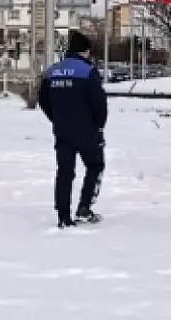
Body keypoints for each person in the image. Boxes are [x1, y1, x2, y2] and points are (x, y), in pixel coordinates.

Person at [38, 29, 108, 228]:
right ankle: (84, 208)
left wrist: (57, 118)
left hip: (62, 131)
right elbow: (99, 103)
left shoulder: (52, 71)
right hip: (87, 131)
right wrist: (99, 127)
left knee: (65, 172)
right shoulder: (87, 71)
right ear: (84, 51)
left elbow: (43, 100)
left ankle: (63, 216)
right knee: (95, 166)